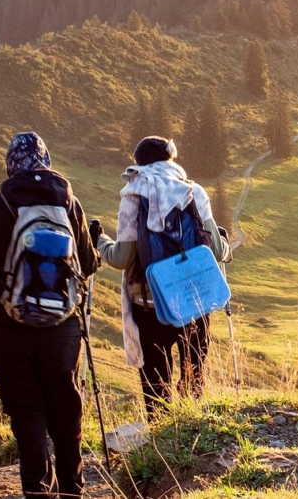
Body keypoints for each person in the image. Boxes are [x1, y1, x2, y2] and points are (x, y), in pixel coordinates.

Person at [0, 132, 97, 499]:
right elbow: (87, 264)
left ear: (11, 165)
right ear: (46, 161)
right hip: (63, 329)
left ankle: (38, 491)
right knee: (66, 410)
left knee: (26, 412)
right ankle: (72, 490)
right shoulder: (70, 204)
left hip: (9, 327)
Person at [91, 136, 230, 420]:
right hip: (194, 302)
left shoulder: (133, 195)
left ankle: (161, 437)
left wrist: (99, 240)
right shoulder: (193, 192)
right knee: (194, 381)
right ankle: (194, 435)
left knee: (156, 388)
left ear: (139, 164)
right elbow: (216, 251)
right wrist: (224, 243)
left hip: (149, 304)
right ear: (171, 159)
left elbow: (122, 258)